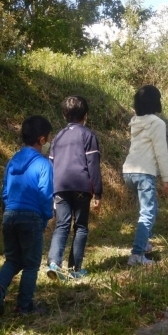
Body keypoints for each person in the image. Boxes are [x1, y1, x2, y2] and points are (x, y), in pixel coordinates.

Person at [0, 115, 53, 316]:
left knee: (13, 260)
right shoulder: (44, 165)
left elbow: (5, 192)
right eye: (49, 138)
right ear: (41, 140)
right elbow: (45, 195)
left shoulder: (12, 161)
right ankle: (23, 306)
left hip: (10, 215)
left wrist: (10, 210)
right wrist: (45, 217)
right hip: (31, 217)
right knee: (31, 265)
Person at [46, 96, 102, 281]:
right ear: (86, 115)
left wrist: (50, 190)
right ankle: (74, 268)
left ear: (64, 115)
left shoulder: (57, 137)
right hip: (81, 186)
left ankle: (54, 262)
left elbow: (51, 164)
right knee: (81, 227)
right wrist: (98, 192)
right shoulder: (88, 135)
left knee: (61, 225)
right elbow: (93, 165)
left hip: (59, 186)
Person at [122, 85, 168, 266]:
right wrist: (166, 179)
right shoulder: (157, 123)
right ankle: (137, 254)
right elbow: (161, 152)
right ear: (156, 102)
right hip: (144, 173)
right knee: (148, 213)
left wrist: (167, 167)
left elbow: (144, 149)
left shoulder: (135, 121)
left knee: (150, 208)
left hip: (129, 171)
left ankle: (145, 243)